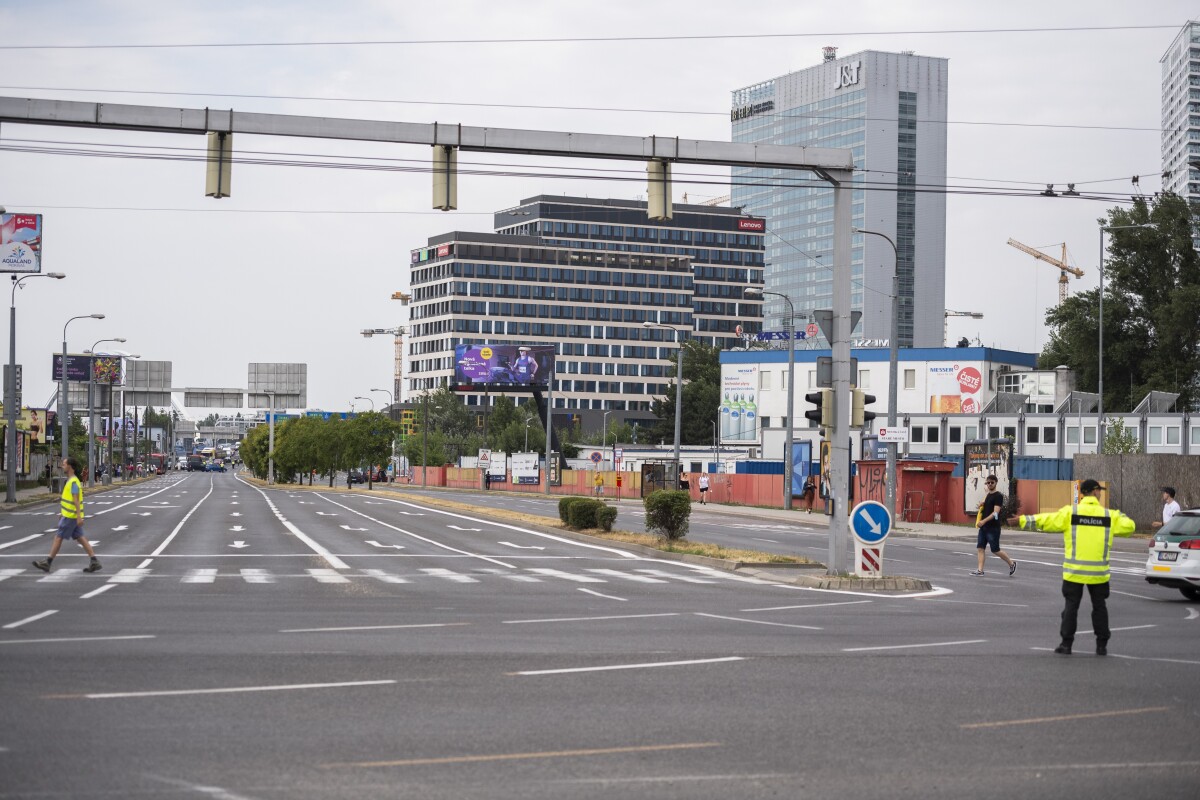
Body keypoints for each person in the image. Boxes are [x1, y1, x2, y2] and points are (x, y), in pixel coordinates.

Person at [1008, 478, 1136, 656]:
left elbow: (1047, 520)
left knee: (1071, 608)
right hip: (1098, 574)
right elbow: (1130, 527)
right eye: (1099, 491)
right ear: (1094, 491)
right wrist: (1119, 515)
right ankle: (1101, 646)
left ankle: (1066, 644)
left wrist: (1022, 520)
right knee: (1099, 608)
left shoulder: (1071, 513)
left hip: (1074, 572)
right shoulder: (1109, 515)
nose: (1100, 493)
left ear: (1082, 493)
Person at [33, 457, 101, 574]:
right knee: (80, 538)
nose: (62, 465)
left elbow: (76, 500)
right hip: (69, 514)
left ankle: (47, 562)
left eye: (64, 464)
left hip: (70, 516)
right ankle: (94, 561)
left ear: (70, 466)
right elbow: (69, 500)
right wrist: (63, 513)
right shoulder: (71, 481)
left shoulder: (73, 482)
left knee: (58, 537)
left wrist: (78, 517)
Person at [971, 475, 1017, 577]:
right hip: (984, 528)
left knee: (995, 550)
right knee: (980, 548)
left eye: (992, 482)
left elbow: (995, 513)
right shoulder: (988, 495)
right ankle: (980, 570)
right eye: (988, 483)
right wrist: (982, 505)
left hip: (993, 528)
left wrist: (983, 521)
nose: (990, 484)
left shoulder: (998, 496)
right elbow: (988, 507)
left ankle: (1011, 563)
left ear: (996, 483)